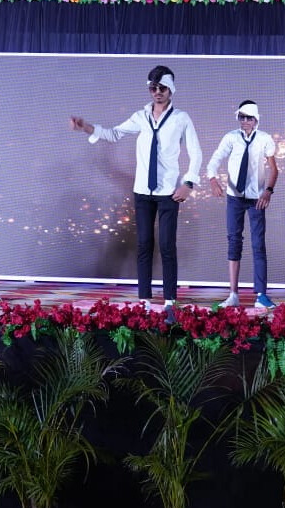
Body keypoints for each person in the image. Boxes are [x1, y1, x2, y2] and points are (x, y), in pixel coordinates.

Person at [70, 64, 202, 318]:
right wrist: (86, 127)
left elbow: (195, 153)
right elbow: (113, 134)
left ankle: (170, 303)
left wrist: (188, 183)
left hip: (167, 192)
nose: (157, 92)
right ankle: (144, 300)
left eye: (162, 87)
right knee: (143, 244)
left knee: (166, 245)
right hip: (143, 191)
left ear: (171, 89)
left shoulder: (181, 119)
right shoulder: (140, 116)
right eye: (153, 88)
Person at [206, 99, 279, 310]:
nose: (245, 121)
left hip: (256, 197)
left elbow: (273, 168)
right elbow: (216, 157)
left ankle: (261, 294)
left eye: (249, 118)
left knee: (258, 244)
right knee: (234, 240)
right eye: (242, 117)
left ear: (256, 120)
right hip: (235, 196)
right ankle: (233, 293)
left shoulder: (264, 139)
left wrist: (268, 191)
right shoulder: (231, 138)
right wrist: (212, 178)